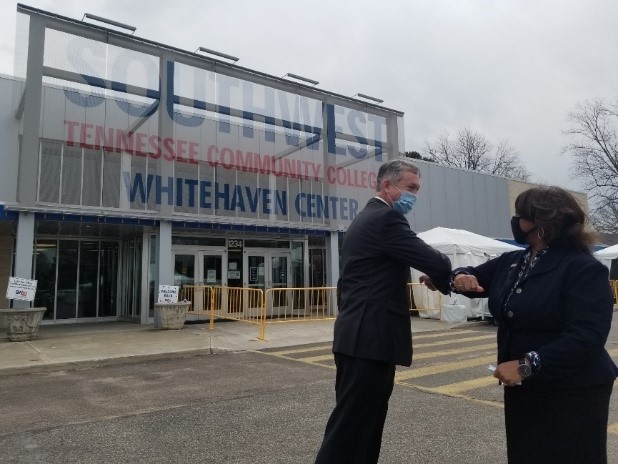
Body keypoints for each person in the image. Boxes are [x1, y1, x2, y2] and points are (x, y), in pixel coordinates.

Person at [426, 186, 617, 464]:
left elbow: (587, 337)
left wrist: (527, 365)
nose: (515, 221)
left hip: (573, 390)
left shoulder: (583, 269)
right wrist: (457, 277)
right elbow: (475, 277)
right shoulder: (516, 261)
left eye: (520, 215)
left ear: (542, 224)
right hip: (525, 388)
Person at [315, 159, 452, 464]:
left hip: (358, 338)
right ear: (387, 186)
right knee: (350, 433)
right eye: (410, 188)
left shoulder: (363, 220)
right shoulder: (385, 220)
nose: (414, 195)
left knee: (364, 429)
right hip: (370, 341)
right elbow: (436, 261)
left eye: (418, 189)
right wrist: (445, 278)